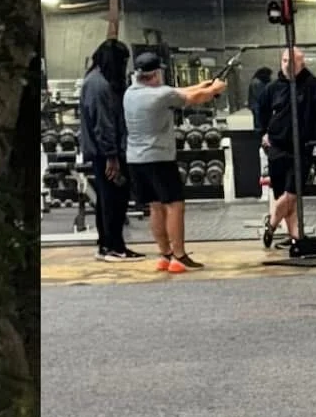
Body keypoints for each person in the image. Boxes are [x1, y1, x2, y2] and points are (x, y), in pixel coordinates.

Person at [122, 50, 229, 272]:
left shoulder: (130, 93)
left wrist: (202, 84)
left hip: (136, 159)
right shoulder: (160, 95)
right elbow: (192, 99)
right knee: (175, 206)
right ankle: (179, 256)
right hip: (159, 158)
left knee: (155, 206)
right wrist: (214, 90)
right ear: (154, 74)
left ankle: (165, 254)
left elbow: (177, 92)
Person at [258, 45, 316, 249]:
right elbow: (260, 112)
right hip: (278, 148)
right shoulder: (272, 88)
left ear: (302, 63)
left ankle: (270, 224)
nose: (288, 65)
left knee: (291, 193)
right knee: (285, 197)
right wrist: (263, 133)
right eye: (285, 61)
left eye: (293, 61)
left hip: (302, 148)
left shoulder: (314, 86)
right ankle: (295, 237)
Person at [77, 37, 140, 260]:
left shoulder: (97, 81)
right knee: (113, 198)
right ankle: (111, 246)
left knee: (110, 198)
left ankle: (112, 244)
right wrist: (111, 157)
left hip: (106, 150)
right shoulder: (98, 86)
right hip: (106, 152)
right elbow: (103, 124)